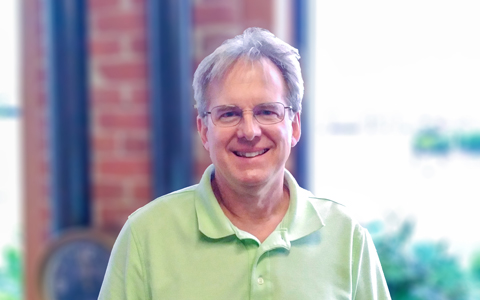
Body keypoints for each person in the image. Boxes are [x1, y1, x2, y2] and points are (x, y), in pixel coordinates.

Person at [98, 27, 391, 299]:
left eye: (267, 111)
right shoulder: (146, 235)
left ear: (295, 126)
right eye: (229, 114)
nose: (249, 131)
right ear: (203, 130)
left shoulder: (345, 236)